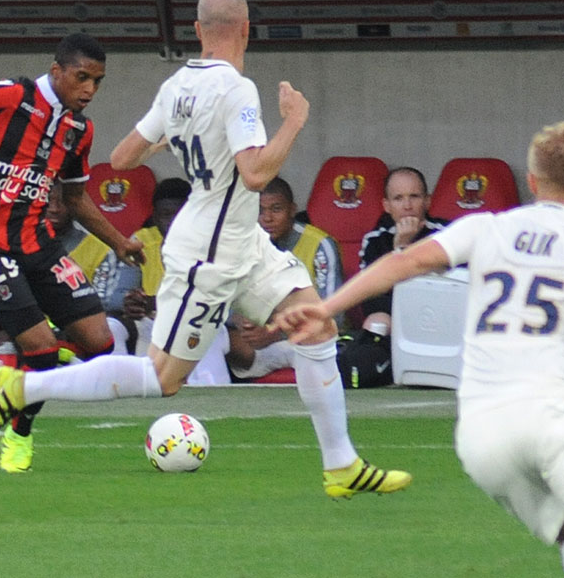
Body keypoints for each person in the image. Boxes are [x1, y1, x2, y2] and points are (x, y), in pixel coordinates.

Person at [0, 0, 411, 498]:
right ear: (246, 29)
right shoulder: (236, 89)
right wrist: (294, 121)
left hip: (240, 239)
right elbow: (255, 175)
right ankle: (25, 385)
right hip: (208, 250)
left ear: (199, 31)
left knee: (315, 329)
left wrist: (178, 136)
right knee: (163, 378)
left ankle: (342, 466)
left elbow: (121, 158)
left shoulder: (176, 85)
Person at [274, 121, 564, 569]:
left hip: (484, 440)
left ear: (530, 181)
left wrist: (325, 307)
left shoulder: (485, 228)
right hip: (552, 421)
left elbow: (404, 262)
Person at [0, 33, 145, 474]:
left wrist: (119, 241)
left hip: (37, 246)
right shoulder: (11, 95)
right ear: (56, 72)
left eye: (98, 81)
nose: (90, 90)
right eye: (82, 77)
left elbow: (75, 200)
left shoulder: (80, 130)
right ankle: (18, 436)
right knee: (39, 346)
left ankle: (26, 374)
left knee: (101, 342)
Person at [101, 177, 232, 385]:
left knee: (200, 328)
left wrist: (157, 303)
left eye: (179, 215)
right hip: (153, 325)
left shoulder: (213, 244)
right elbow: (116, 299)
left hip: (204, 323)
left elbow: (222, 306)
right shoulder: (140, 241)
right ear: (154, 216)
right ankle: (119, 388)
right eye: (165, 215)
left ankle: (213, 393)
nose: (172, 222)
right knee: (111, 325)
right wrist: (131, 303)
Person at [228, 176, 344, 379]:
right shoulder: (240, 242)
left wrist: (275, 331)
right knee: (210, 338)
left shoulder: (320, 245)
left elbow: (335, 317)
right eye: (259, 211)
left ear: (292, 210)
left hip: (300, 340)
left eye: (276, 209)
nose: (267, 218)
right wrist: (238, 320)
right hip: (251, 345)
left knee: (314, 350)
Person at [357, 166, 448, 333]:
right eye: (398, 198)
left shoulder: (447, 234)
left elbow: (460, 289)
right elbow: (370, 301)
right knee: (376, 323)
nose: (407, 206)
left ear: (427, 201)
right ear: (387, 205)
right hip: (396, 320)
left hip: (444, 317)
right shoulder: (375, 240)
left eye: (414, 196)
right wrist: (399, 250)